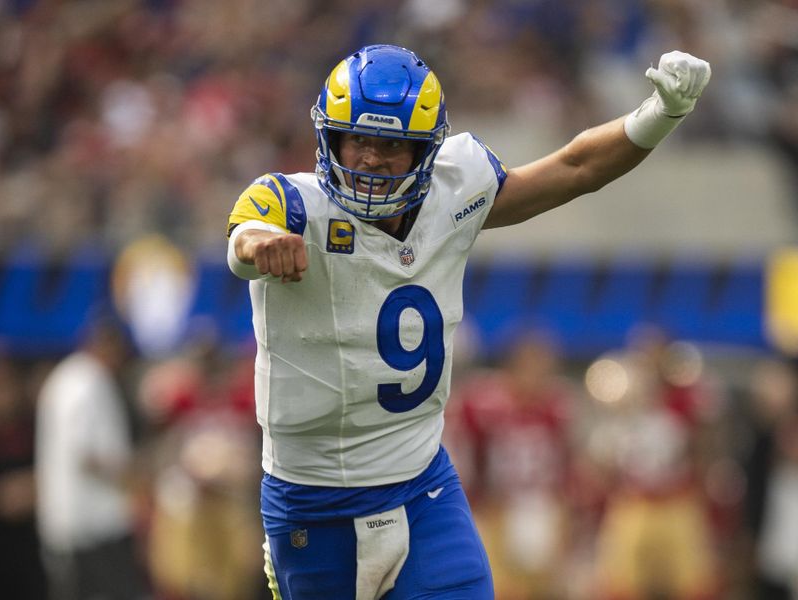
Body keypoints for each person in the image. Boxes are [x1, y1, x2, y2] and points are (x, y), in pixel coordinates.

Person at [225, 44, 711, 599]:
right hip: (312, 500)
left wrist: (659, 114)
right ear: (329, 137)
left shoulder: (456, 191)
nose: (369, 158)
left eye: (391, 144)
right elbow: (243, 237)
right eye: (356, 138)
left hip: (421, 485)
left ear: (426, 152)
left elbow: (575, 168)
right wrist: (261, 244)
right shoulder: (290, 204)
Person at [35, 317, 149, 600]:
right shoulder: (89, 382)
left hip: (65, 526)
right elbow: (86, 456)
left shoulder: (64, 377)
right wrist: (135, 479)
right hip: (94, 527)